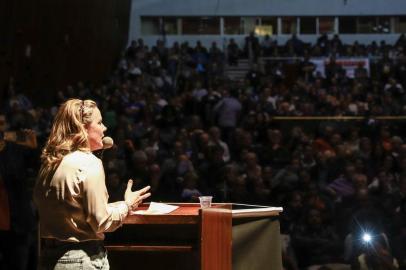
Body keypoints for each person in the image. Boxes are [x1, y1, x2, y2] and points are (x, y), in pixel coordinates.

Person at [34, 99, 151, 269]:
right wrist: (127, 205)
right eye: (100, 122)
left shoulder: (49, 163)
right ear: (82, 127)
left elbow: (72, 211)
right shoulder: (89, 163)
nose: (104, 128)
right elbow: (101, 222)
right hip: (81, 259)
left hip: (49, 258)